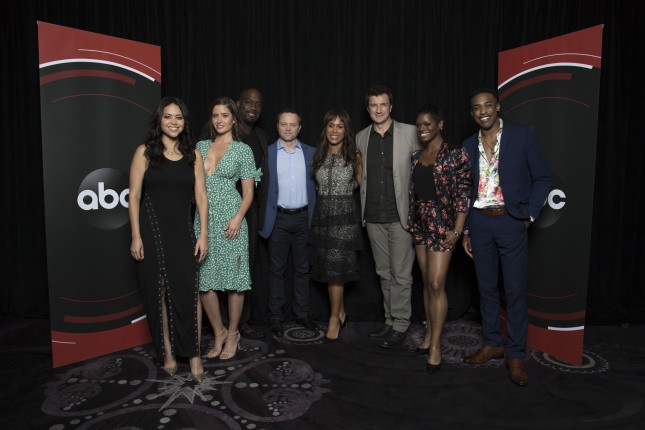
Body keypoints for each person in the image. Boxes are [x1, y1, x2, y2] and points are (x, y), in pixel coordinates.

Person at [461, 88, 551, 387]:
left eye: (488, 105)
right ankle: (492, 343)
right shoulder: (467, 145)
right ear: (472, 113)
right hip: (480, 222)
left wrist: (528, 216)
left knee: (514, 291)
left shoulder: (522, 135)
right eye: (477, 107)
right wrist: (468, 229)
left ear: (497, 107)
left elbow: (542, 177)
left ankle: (515, 354)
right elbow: (467, 190)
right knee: (486, 288)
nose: (483, 111)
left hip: (511, 221)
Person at [128, 96, 207, 382]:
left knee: (188, 291)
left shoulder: (193, 154)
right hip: (152, 230)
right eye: (168, 116)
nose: (174, 122)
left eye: (179, 117)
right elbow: (134, 196)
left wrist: (204, 234)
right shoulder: (144, 152)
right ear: (159, 120)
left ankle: (194, 354)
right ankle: (169, 353)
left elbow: (201, 196)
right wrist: (136, 236)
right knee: (159, 291)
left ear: (185, 122)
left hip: (183, 231)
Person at [405, 105, 472, 373]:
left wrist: (458, 229)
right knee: (425, 281)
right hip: (421, 222)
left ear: (439, 125)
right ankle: (428, 335)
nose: (422, 129)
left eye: (427, 124)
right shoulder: (416, 156)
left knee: (436, 283)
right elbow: (415, 192)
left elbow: (465, 193)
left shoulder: (455, 154)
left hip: (444, 224)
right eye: (419, 125)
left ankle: (436, 347)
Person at [195, 96, 259, 360]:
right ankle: (219, 331)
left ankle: (233, 333)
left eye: (224, 115)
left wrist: (238, 217)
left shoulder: (242, 150)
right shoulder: (200, 147)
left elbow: (248, 191)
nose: (219, 120)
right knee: (204, 281)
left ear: (234, 118)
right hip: (203, 220)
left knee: (234, 282)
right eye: (215, 115)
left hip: (232, 220)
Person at [356, 84, 420, 348]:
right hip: (373, 216)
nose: (379, 109)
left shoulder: (411, 133)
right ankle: (390, 321)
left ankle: (401, 323)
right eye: (374, 105)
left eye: (383, 104)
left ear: (391, 107)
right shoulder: (361, 137)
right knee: (384, 273)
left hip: (400, 216)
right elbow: (359, 175)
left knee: (401, 274)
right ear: (368, 108)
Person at [259, 108, 317, 336]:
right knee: (276, 270)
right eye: (284, 124)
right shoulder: (268, 153)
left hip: (304, 218)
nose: (288, 128)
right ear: (277, 126)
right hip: (279, 219)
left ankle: (302, 313)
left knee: (303, 269)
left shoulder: (312, 153)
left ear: (299, 128)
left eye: (293, 124)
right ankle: (276, 316)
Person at [309, 108, 363, 341]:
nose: (335, 130)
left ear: (346, 130)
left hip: (344, 219)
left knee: (335, 273)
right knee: (329, 269)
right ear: (325, 128)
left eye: (340, 126)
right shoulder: (318, 155)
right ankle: (340, 312)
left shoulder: (354, 155)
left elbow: (361, 185)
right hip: (323, 219)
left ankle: (333, 318)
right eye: (331, 125)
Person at [235, 88, 270, 339]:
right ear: (238, 104)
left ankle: (242, 321)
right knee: (222, 264)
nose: (253, 108)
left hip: (250, 213)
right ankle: (221, 322)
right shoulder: (223, 131)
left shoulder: (261, 137)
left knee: (245, 267)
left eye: (258, 104)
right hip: (223, 210)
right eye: (248, 102)